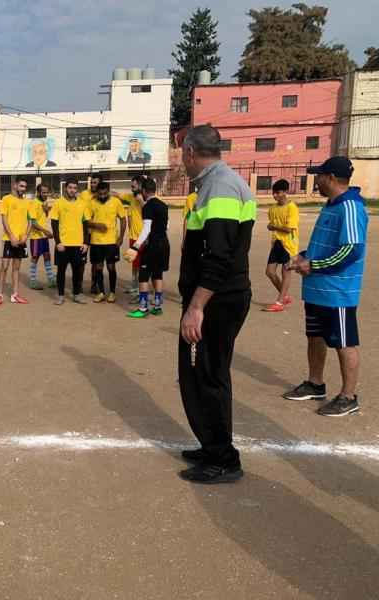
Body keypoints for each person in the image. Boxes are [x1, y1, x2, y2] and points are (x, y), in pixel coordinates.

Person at [178, 125, 255, 484]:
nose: (181, 159)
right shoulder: (214, 182)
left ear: (192, 151)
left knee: (209, 375)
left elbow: (219, 256)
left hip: (217, 301)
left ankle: (223, 458)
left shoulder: (220, 186)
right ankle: (211, 445)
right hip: (216, 297)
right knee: (201, 373)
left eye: (182, 152)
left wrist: (196, 306)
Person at [284, 157, 368, 417]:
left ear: (331, 178)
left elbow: (351, 249)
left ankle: (348, 396)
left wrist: (315, 266)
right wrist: (304, 256)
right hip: (318, 289)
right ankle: (315, 383)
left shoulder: (351, 207)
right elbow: (326, 244)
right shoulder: (332, 205)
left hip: (337, 293)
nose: (316, 180)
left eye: (319, 176)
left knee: (344, 342)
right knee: (315, 336)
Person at [125, 177, 169, 317]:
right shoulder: (163, 205)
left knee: (143, 276)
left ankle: (143, 308)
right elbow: (166, 226)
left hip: (153, 245)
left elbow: (147, 228)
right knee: (157, 274)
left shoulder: (148, 206)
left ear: (144, 191)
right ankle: (157, 306)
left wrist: (136, 246)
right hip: (164, 244)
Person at [50, 178, 91, 305]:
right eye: (70, 188)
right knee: (61, 271)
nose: (72, 190)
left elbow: (86, 225)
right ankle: (61, 295)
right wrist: (58, 242)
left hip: (78, 244)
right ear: (65, 188)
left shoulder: (83, 203)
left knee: (77, 271)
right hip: (63, 244)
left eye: (74, 188)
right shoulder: (58, 203)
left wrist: (86, 243)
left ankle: (76, 294)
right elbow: (54, 223)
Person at [0, 176, 32, 307]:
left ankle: (15, 295)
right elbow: (4, 219)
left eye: (25, 187)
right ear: (15, 186)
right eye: (21, 186)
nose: (23, 189)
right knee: (4, 267)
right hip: (8, 239)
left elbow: (31, 221)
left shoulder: (27, 202)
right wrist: (11, 236)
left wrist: (26, 236)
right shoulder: (6, 199)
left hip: (21, 240)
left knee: (16, 268)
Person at [263, 179, 298, 312]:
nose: (275, 195)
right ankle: (284, 296)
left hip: (288, 245)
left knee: (286, 273)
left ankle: (279, 302)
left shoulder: (292, 208)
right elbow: (271, 225)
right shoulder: (272, 209)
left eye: (278, 193)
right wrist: (272, 227)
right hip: (276, 243)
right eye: (274, 193)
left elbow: (289, 229)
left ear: (285, 192)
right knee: (270, 272)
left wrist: (274, 227)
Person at [88, 182, 127, 303]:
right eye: (100, 194)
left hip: (111, 242)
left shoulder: (116, 202)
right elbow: (86, 220)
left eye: (105, 194)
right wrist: (96, 225)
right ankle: (101, 292)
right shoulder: (92, 203)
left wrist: (120, 237)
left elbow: (123, 219)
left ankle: (112, 292)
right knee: (98, 267)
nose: (103, 196)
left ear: (108, 191)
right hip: (96, 241)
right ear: (97, 193)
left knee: (111, 267)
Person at [113, 175, 145, 300]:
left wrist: (141, 200)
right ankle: (134, 285)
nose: (131, 189)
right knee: (134, 263)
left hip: (142, 238)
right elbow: (117, 194)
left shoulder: (147, 199)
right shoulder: (131, 197)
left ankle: (140, 289)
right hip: (133, 236)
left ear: (141, 186)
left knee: (142, 264)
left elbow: (151, 211)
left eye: (133, 186)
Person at [27, 183, 56, 290]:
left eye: (47, 192)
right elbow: (33, 222)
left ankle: (51, 279)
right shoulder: (34, 203)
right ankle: (32, 280)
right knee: (35, 258)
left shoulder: (44, 202)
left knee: (47, 256)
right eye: (43, 192)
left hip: (43, 237)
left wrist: (46, 211)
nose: (45, 194)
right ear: (38, 192)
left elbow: (43, 217)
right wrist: (46, 231)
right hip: (36, 237)